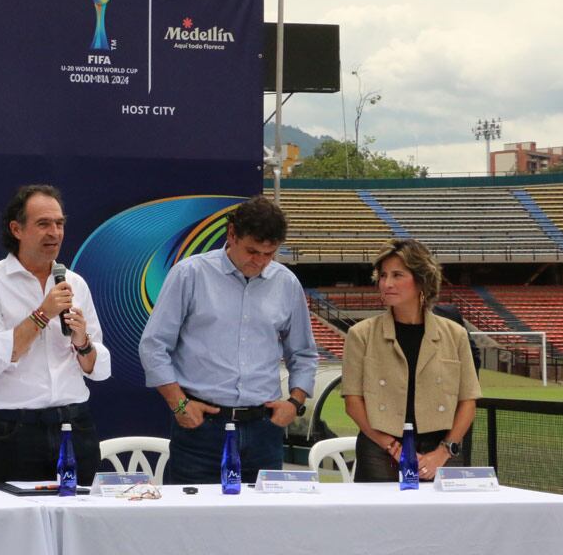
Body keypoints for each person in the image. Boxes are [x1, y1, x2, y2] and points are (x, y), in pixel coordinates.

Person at [139, 195, 318, 483]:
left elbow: (304, 353)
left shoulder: (286, 283)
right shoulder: (190, 274)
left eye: (269, 254)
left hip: (264, 428)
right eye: (252, 251)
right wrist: (180, 405)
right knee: (191, 523)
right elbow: (154, 345)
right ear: (231, 234)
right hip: (201, 428)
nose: (259, 262)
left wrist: (294, 403)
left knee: (261, 525)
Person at [0, 185, 110, 484]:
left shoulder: (74, 282)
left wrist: (82, 341)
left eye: (59, 224)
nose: (54, 233)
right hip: (16, 427)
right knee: (17, 525)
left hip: (75, 421)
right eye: (43, 224)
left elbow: (97, 370)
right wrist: (43, 313)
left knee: (84, 520)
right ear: (16, 229)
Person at [341, 239, 480, 482]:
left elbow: (467, 401)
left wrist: (443, 452)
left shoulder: (455, 334)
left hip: (444, 452)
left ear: (421, 280)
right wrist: (394, 448)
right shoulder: (360, 335)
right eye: (383, 275)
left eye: (397, 275)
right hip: (379, 452)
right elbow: (353, 402)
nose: (387, 283)